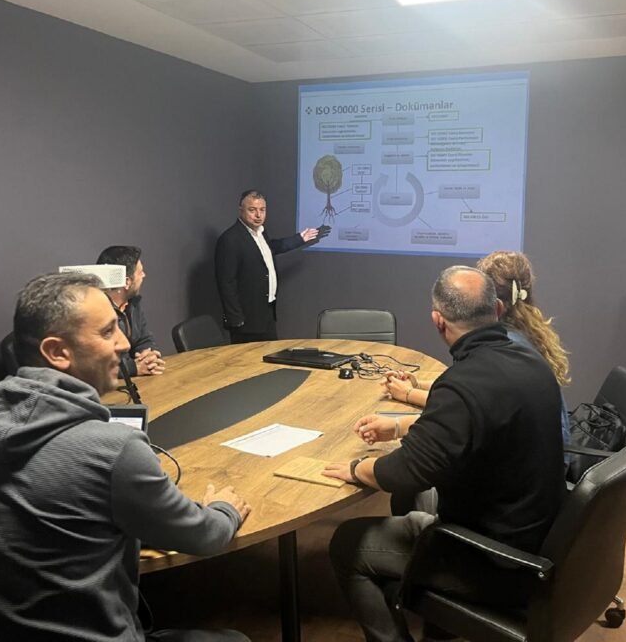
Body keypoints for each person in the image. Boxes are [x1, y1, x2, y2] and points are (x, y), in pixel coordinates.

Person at [0, 272, 251, 642]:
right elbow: (204, 537)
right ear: (58, 352)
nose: (124, 343)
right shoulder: (114, 449)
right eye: (107, 332)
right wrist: (224, 509)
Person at [323, 266, 565, 642]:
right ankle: (433, 614)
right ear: (498, 310)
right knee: (417, 497)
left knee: (346, 542)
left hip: (496, 560)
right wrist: (400, 427)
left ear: (438, 321)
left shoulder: (463, 383)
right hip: (537, 534)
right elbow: (472, 427)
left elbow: (403, 472)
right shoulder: (529, 360)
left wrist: (357, 468)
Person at [381, 250, 572, 448]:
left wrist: (408, 394)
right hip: (547, 445)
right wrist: (417, 384)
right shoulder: (525, 330)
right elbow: (477, 393)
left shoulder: (503, 346)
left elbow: (465, 405)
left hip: (541, 452)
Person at [214, 189, 318, 343]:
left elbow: (271, 248)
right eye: (252, 210)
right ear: (241, 210)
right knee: (249, 357)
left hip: (266, 313)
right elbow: (226, 283)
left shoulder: (260, 233)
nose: (258, 215)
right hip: (245, 320)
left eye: (262, 210)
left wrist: (300, 238)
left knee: (270, 355)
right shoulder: (230, 240)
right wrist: (235, 319)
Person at [97, 245, 165, 377]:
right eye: (140, 272)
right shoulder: (96, 312)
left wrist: (149, 355)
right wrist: (134, 368)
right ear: (127, 282)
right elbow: (96, 365)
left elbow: (144, 339)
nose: (144, 275)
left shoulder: (133, 304)